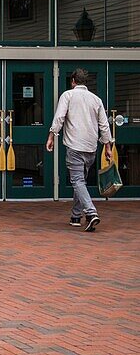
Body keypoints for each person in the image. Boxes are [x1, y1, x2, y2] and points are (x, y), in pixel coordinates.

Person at [47, 68, 112, 232]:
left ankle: (91, 213)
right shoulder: (96, 99)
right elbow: (104, 125)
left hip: (75, 146)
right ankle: (76, 216)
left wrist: (51, 136)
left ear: (73, 81)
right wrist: (108, 146)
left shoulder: (68, 95)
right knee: (80, 181)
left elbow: (59, 117)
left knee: (77, 181)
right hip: (91, 148)